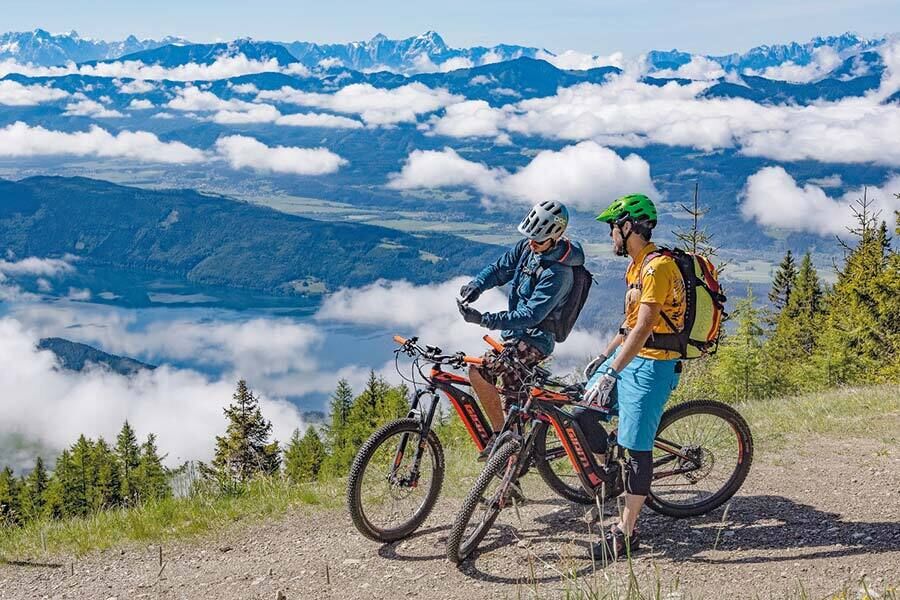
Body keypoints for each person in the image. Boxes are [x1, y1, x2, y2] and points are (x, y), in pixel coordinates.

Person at [582, 193, 685, 559]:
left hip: (653, 365)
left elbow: (643, 329)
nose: (610, 235)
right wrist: (603, 358)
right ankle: (613, 474)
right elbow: (628, 327)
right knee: (582, 411)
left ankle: (626, 533)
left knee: (638, 452)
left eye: (612, 228)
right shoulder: (637, 265)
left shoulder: (657, 268)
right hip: (630, 358)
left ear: (628, 227)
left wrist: (614, 370)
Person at [457, 200, 585, 459]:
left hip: (535, 339)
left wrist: (484, 319)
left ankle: (499, 436)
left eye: (538, 240)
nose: (531, 244)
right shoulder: (528, 249)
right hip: (514, 337)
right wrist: (478, 285)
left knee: (479, 370)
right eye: (529, 237)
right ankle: (512, 470)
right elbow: (500, 269)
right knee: (514, 405)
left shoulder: (559, 273)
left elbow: (531, 315)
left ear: (555, 236)